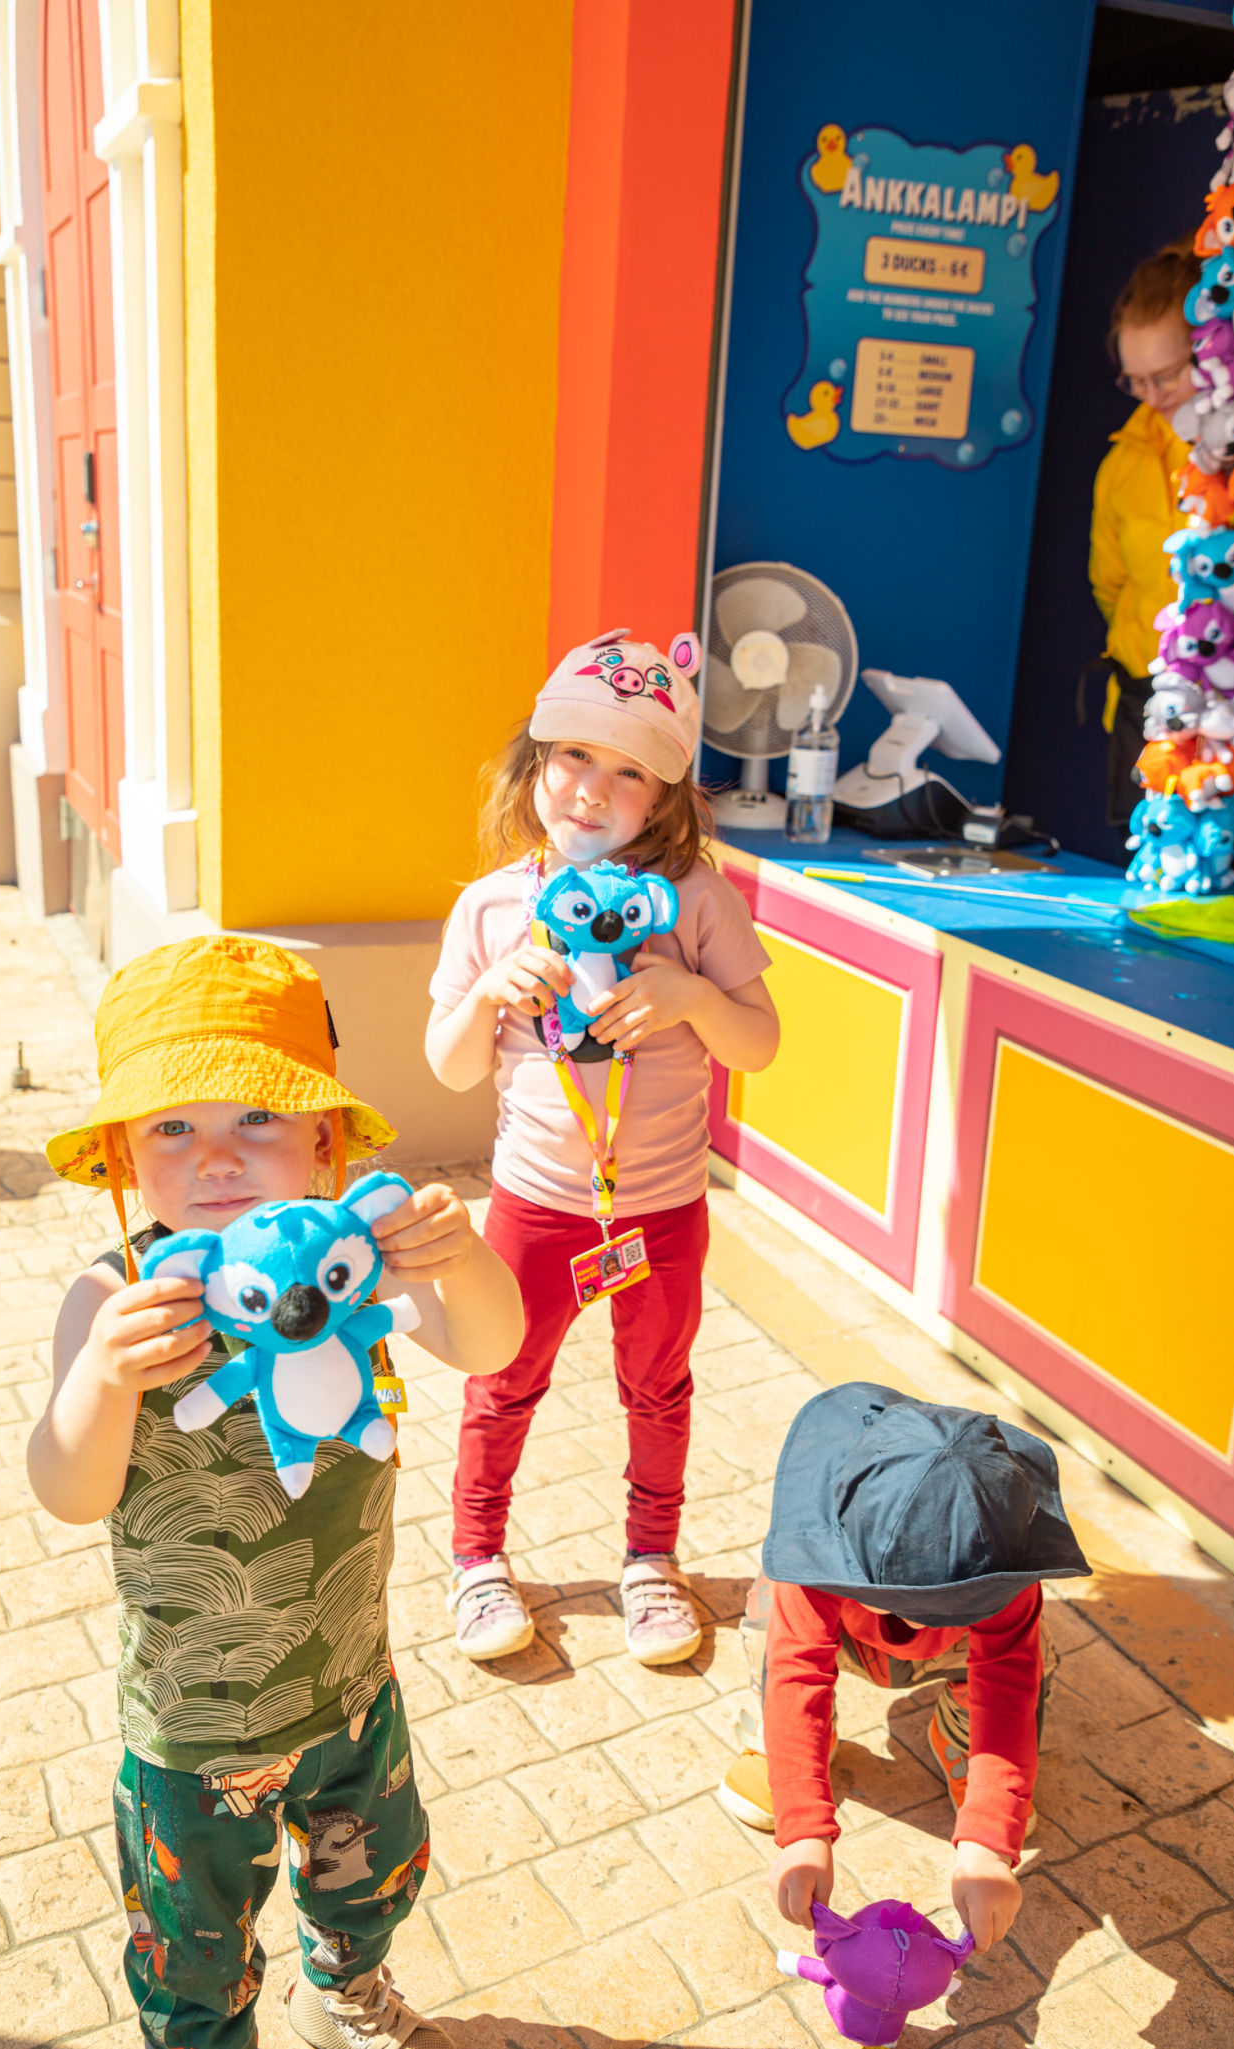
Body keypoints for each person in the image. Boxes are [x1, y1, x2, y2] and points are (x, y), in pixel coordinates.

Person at [28, 937, 524, 2049]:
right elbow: (67, 1491)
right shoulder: (113, 1300)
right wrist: (104, 1379)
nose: (216, 1158)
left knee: (372, 1880)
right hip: (194, 1729)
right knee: (192, 1944)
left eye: (255, 1119)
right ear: (120, 1159)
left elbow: (491, 1347)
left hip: (349, 1683)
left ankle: (339, 1986)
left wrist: (459, 1256)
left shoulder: (357, 1275)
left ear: (323, 1141)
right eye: (172, 1128)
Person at [426, 631, 779, 1665]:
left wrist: (693, 995)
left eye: (629, 771)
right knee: (502, 1376)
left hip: (662, 1208)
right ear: (534, 763)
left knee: (658, 1385)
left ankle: (650, 1561)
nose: (592, 788)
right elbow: (447, 1065)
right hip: (534, 1204)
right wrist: (491, 995)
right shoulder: (491, 907)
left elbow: (758, 1043)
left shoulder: (697, 903)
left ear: (665, 800)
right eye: (574, 755)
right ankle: (478, 1558)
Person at [718, 1384, 1087, 1952]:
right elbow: (799, 1671)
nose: (915, 1622)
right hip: (845, 1642)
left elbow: (1008, 1688)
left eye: (955, 1608)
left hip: (950, 1658)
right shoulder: (813, 1558)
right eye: (900, 1605)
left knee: (1037, 1656)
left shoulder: (1004, 1567)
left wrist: (988, 1840)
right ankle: (791, 1748)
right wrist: (804, 1828)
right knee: (770, 1616)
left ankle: (959, 1739)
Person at [1089, 238, 1200, 830]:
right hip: (1143, 702)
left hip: (1233, 705)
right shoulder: (1122, 461)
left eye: (1167, 376)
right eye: (1135, 381)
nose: (1152, 399)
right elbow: (1110, 585)